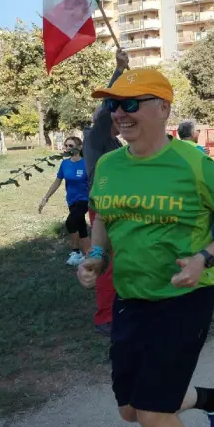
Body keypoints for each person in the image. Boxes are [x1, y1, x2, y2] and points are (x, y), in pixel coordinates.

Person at [77, 67, 214, 427]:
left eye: (131, 104)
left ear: (163, 108)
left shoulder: (194, 163)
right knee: (130, 409)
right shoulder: (110, 166)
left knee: (154, 410)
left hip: (184, 297)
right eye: (115, 105)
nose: (120, 113)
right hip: (130, 296)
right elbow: (102, 216)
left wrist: (206, 258)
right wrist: (97, 254)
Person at [83, 49, 129, 335]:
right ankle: (105, 318)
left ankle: (117, 307)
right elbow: (105, 111)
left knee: (118, 259)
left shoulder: (114, 144)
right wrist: (119, 71)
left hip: (117, 206)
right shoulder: (96, 136)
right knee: (106, 262)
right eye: (116, 116)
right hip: (101, 208)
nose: (121, 119)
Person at [39, 136, 90, 266]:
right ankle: (86, 254)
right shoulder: (65, 163)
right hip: (71, 200)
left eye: (71, 146)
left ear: (79, 147)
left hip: (84, 200)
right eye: (66, 145)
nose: (67, 148)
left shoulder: (86, 163)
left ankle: (77, 252)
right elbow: (57, 181)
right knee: (80, 226)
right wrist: (46, 197)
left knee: (70, 223)